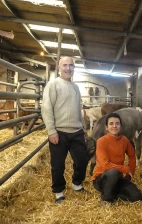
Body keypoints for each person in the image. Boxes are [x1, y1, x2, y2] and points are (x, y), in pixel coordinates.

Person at [42, 56, 88, 204]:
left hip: (77, 131)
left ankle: (76, 183)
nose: (68, 68)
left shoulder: (75, 87)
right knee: (58, 164)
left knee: (82, 160)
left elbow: (77, 109)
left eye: (71, 65)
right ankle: (58, 191)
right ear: (59, 67)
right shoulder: (53, 84)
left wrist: (83, 127)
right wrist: (51, 131)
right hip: (59, 132)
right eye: (65, 65)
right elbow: (47, 108)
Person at [92, 112, 142, 205]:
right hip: (102, 178)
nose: (114, 126)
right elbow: (105, 165)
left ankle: (113, 194)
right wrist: (125, 169)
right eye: (111, 124)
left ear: (121, 126)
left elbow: (132, 155)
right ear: (106, 127)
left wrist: (130, 173)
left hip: (117, 178)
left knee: (137, 197)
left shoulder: (124, 140)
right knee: (113, 172)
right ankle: (106, 199)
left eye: (117, 123)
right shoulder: (101, 141)